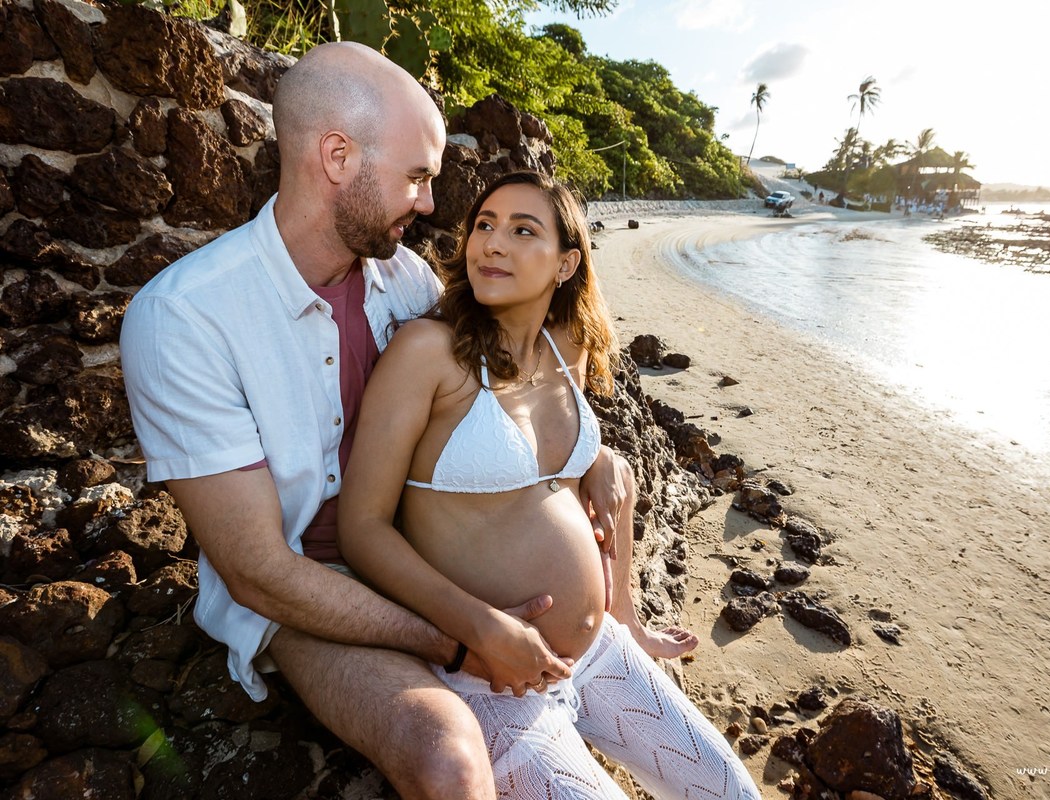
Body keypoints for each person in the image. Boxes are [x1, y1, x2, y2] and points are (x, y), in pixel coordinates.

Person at [120, 42, 651, 798]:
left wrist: (590, 456)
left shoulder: (405, 280)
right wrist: (463, 639)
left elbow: (503, 384)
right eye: (416, 177)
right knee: (446, 758)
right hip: (308, 591)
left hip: (423, 561)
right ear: (337, 157)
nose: (431, 204)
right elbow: (260, 573)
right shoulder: (184, 318)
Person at [337, 171, 760, 799]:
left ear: (566, 264)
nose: (493, 243)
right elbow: (362, 530)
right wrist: (479, 630)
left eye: (522, 230)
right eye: (484, 225)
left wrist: (626, 614)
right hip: (496, 680)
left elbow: (559, 475)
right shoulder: (428, 353)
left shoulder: (568, 349)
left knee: (733, 793)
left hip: (599, 652)